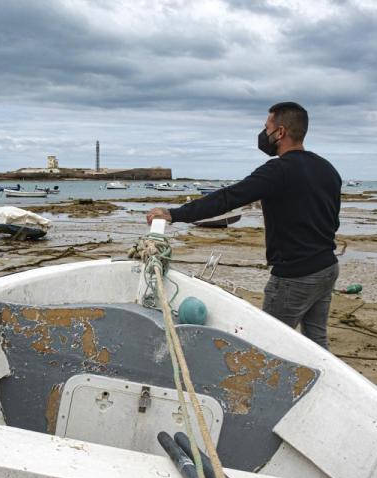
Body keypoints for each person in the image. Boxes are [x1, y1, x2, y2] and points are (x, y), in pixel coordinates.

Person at [145, 102, 341, 348]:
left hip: (294, 275)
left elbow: (228, 198)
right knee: (317, 342)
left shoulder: (278, 171)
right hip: (327, 267)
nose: (263, 134)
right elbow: (333, 221)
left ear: (280, 132)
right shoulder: (328, 169)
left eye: (266, 127)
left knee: (265, 346)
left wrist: (174, 214)